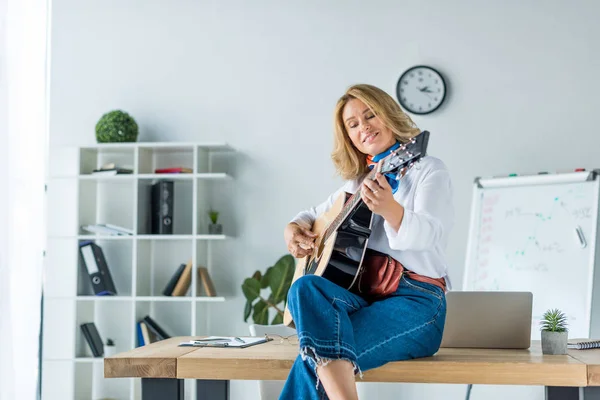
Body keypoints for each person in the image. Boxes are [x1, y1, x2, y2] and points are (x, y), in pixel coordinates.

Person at [280, 83, 454, 400]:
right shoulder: (357, 183)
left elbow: (432, 233)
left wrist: (392, 211)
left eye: (370, 115)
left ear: (388, 116)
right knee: (304, 288)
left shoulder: (429, 170)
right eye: (354, 124)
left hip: (416, 304)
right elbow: (311, 215)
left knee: (315, 358)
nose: (365, 127)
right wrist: (294, 229)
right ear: (350, 139)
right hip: (362, 300)